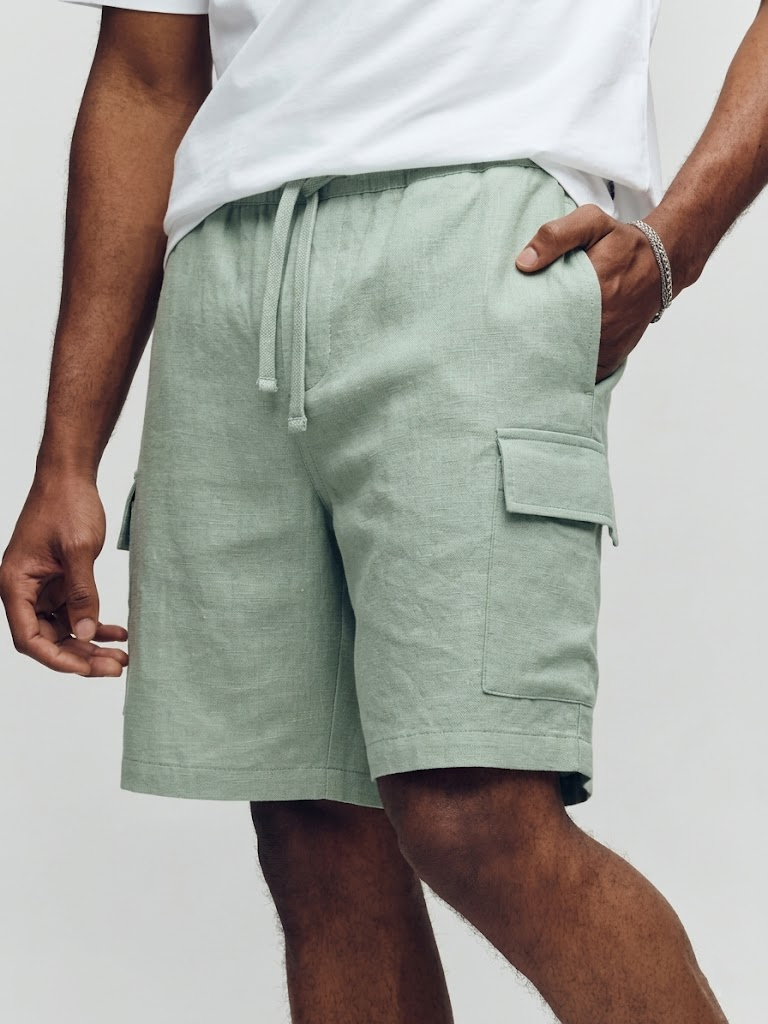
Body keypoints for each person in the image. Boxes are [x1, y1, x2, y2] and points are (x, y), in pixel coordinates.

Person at [2, 0, 762, 1019]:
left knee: (473, 811)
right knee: (315, 832)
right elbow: (145, 76)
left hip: (486, 228)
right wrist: (67, 455)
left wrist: (676, 245)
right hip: (228, 263)